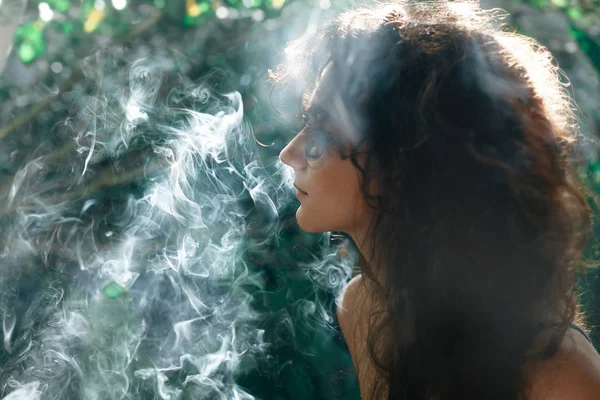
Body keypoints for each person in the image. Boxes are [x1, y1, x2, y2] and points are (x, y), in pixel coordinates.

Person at [271, 0, 600, 399]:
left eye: (323, 134)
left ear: (406, 161)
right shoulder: (363, 309)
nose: (289, 154)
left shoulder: (559, 373)